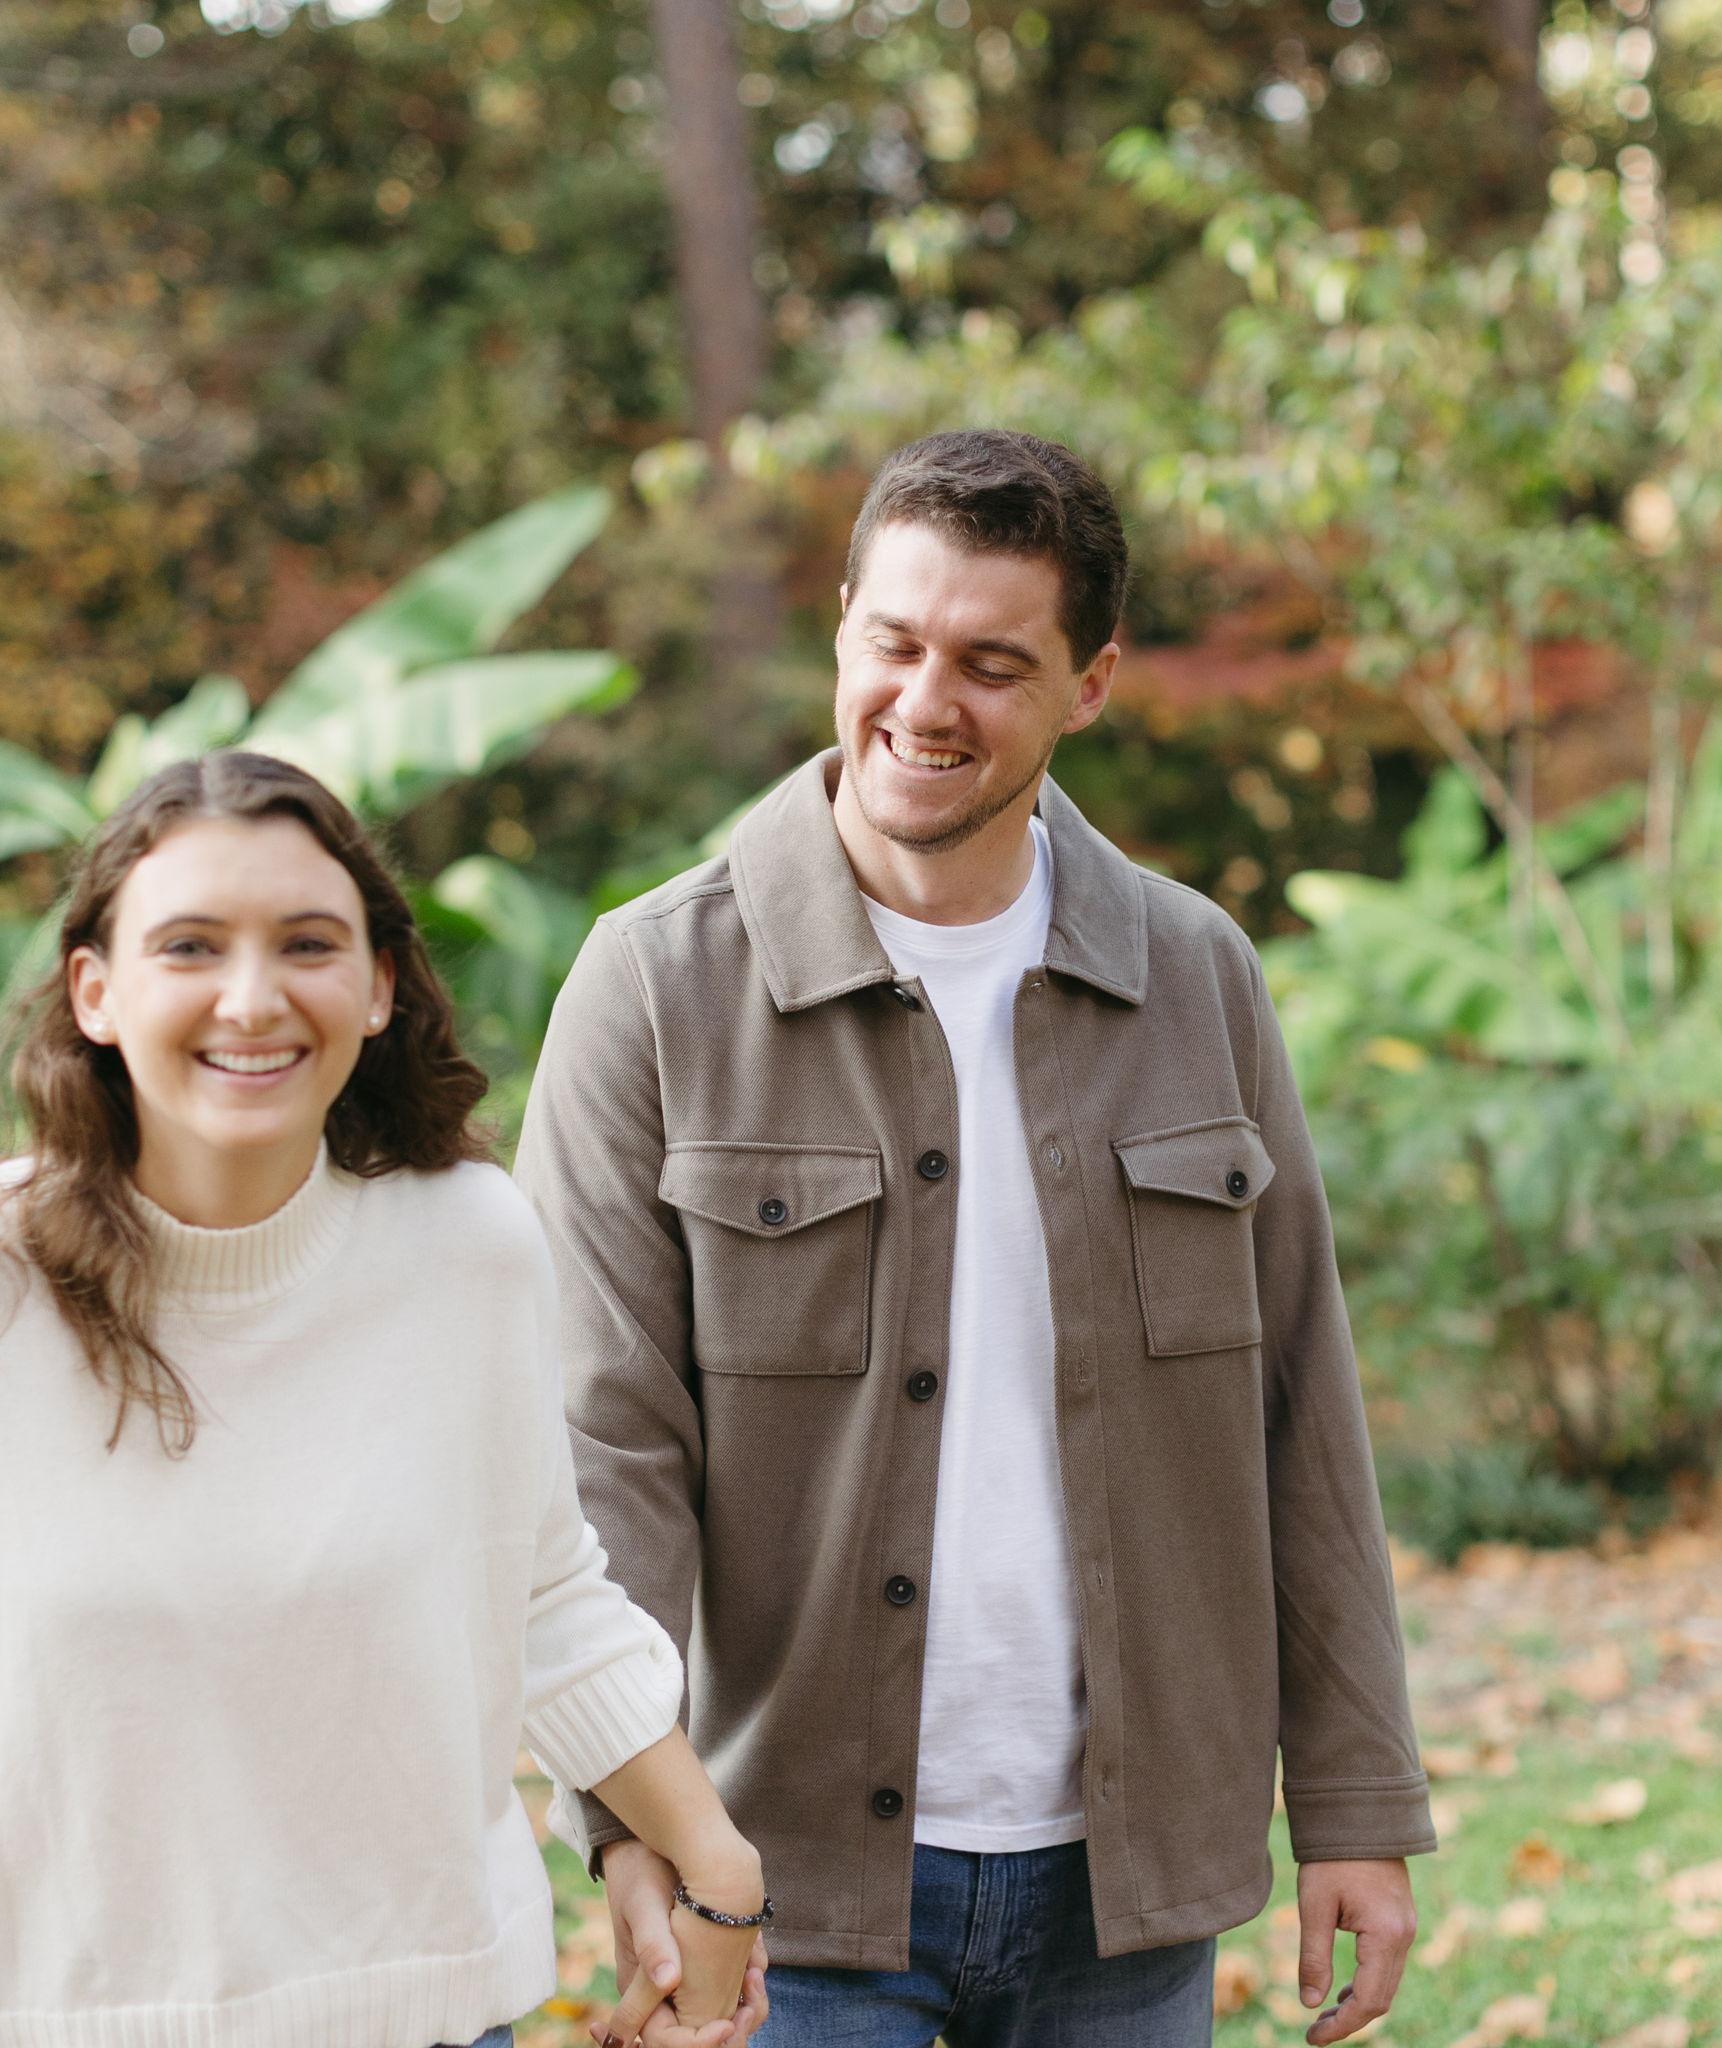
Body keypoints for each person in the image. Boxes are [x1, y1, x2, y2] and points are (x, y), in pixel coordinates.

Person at [515, 429, 1436, 2048]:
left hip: (1127, 1877)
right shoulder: (656, 986)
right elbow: (605, 1453)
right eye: (896, 643)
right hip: (777, 1870)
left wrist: (1354, 1797)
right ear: (846, 630)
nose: (927, 704)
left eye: (994, 664)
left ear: (1089, 684)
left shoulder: (1195, 975)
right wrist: (626, 1812)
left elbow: (1301, 1409)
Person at [0, 751, 768, 2048]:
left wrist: (719, 1872)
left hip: (423, 2012)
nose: (251, 1001)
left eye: (307, 944)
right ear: (94, 990)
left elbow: (540, 1592)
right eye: (189, 946)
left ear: (375, 987)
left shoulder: (467, 1248)